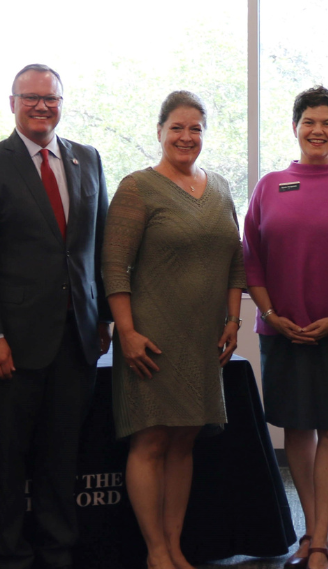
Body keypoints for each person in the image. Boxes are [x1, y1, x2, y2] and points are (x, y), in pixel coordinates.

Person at [0, 64, 112, 569]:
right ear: (12, 103)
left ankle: (58, 550)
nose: (42, 106)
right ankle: (10, 555)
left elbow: (101, 246)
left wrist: (105, 316)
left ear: (62, 103)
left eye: (51, 98)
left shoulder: (88, 159)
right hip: (12, 344)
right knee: (8, 458)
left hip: (78, 338)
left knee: (62, 455)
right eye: (32, 98)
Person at [105, 90, 246, 569]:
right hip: (151, 336)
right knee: (151, 440)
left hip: (203, 338)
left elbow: (235, 262)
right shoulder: (137, 187)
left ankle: (175, 545)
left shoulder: (222, 188)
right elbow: (114, 268)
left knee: (185, 439)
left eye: (196, 129)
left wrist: (233, 318)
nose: (187, 137)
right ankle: (155, 552)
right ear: (160, 132)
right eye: (177, 128)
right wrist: (125, 332)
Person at [242, 85, 328, 569]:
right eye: (309, 122)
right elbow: (250, 259)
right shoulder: (269, 185)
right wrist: (272, 314)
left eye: (327, 123)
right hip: (280, 331)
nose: (317, 130)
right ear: (295, 127)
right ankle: (310, 527)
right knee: (296, 429)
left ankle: (320, 540)